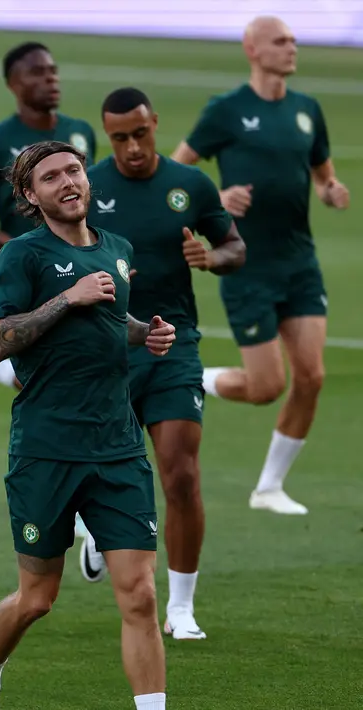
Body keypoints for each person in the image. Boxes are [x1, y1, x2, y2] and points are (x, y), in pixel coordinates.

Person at [0, 140, 173, 710]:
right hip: (46, 449)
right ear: (32, 196)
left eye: (73, 170)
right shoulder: (22, 256)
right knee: (37, 598)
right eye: (51, 177)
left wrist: (142, 333)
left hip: (118, 448)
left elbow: (109, 314)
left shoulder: (119, 249)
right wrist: (67, 298)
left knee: (139, 595)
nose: (67, 181)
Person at [83, 87, 246, 640]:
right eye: (119, 137)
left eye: (140, 133)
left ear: (156, 123)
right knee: (100, 469)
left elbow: (234, 248)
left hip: (174, 343)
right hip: (108, 348)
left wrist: (212, 256)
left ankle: (179, 607)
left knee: (179, 472)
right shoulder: (90, 188)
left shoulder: (190, 185)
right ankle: (92, 530)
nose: (131, 146)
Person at [172, 15, 349, 515]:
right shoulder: (226, 111)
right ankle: (192, 379)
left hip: (300, 263)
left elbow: (321, 173)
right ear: (252, 49)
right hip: (244, 264)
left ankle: (269, 487)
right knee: (266, 387)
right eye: (280, 41)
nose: (292, 48)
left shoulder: (307, 110)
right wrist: (218, 196)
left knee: (311, 376)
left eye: (293, 40)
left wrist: (329, 191)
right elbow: (176, 172)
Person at [0, 41, 97, 402]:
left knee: (71, 368)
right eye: (37, 73)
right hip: (26, 269)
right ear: (14, 84)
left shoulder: (80, 133)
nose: (50, 79)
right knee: (48, 378)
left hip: (78, 263)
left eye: (53, 71)